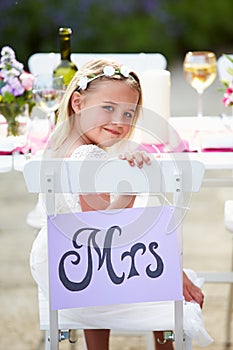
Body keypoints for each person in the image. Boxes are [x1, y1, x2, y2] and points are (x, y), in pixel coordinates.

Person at [30, 58, 210, 350]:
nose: (120, 122)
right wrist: (129, 187)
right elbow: (107, 231)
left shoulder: (59, 141)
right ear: (77, 102)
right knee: (168, 281)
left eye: (128, 113)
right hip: (83, 273)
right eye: (109, 108)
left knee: (161, 259)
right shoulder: (89, 157)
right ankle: (167, 337)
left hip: (58, 262)